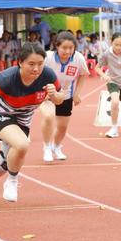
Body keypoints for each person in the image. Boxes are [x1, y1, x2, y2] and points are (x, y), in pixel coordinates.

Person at [0, 42, 64, 203]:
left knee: (5, 161)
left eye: (40, 64)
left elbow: (59, 100)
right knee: (22, 144)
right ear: (20, 63)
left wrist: (54, 94)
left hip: (23, 118)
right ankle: (13, 181)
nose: (36, 68)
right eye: (31, 64)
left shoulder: (48, 75)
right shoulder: (7, 79)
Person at [40, 32, 89, 162]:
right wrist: (41, 91)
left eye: (70, 48)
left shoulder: (78, 58)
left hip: (66, 95)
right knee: (48, 117)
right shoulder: (47, 57)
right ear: (57, 46)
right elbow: (37, 72)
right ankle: (46, 147)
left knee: (62, 127)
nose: (67, 51)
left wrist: (77, 93)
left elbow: (83, 74)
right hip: (48, 94)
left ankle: (56, 147)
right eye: (64, 48)